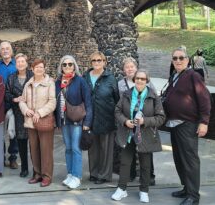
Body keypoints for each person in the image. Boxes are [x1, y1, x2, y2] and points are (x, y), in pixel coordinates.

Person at [165, 47, 211, 205]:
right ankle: (186, 188)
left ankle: (193, 196)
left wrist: (204, 122)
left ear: (188, 60)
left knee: (190, 160)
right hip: (174, 124)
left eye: (181, 58)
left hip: (188, 124)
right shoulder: (174, 76)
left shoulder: (194, 76)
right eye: (175, 58)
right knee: (179, 158)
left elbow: (204, 99)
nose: (178, 61)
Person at [112, 70, 165, 203]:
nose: (140, 81)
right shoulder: (126, 94)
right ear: (134, 80)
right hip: (128, 134)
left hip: (145, 135)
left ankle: (144, 191)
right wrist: (125, 121)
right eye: (137, 79)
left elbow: (161, 118)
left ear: (147, 80)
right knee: (125, 162)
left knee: (145, 164)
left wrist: (145, 121)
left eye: (142, 79)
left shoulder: (153, 96)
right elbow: (117, 111)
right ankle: (121, 189)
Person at [54, 55, 92, 190]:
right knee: (68, 148)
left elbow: (88, 102)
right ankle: (70, 173)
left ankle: (77, 176)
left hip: (77, 120)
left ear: (74, 66)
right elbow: (55, 102)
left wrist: (87, 122)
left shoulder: (80, 81)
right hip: (64, 120)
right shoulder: (58, 82)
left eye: (70, 64)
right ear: (61, 67)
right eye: (64, 64)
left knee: (76, 148)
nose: (67, 67)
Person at [117, 57, 157, 183]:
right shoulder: (120, 84)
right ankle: (131, 174)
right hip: (128, 122)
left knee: (146, 150)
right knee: (129, 149)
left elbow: (154, 98)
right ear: (123, 70)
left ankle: (149, 176)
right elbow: (119, 103)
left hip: (144, 122)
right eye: (127, 67)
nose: (129, 69)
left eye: (132, 67)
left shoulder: (147, 82)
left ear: (136, 68)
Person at [19, 58, 56, 187]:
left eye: (41, 67)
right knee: (33, 149)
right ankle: (37, 174)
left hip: (44, 120)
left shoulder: (50, 83)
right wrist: (25, 110)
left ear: (44, 69)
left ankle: (47, 176)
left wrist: (40, 113)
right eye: (37, 67)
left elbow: (52, 102)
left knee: (45, 150)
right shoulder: (28, 83)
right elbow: (22, 100)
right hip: (30, 121)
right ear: (32, 69)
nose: (39, 69)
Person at [85, 51, 119, 184]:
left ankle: (104, 175)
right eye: (94, 60)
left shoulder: (110, 78)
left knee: (106, 149)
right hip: (90, 118)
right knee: (93, 148)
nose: (96, 63)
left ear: (104, 62)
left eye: (99, 60)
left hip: (106, 118)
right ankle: (94, 172)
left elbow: (117, 98)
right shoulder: (86, 76)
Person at [5, 53, 33, 178]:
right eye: (18, 62)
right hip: (18, 114)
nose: (20, 64)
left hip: (32, 112)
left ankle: (37, 169)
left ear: (27, 63)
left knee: (34, 143)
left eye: (23, 61)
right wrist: (15, 99)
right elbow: (6, 94)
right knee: (21, 141)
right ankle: (25, 168)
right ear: (15, 64)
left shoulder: (33, 76)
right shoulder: (11, 78)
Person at [0, 41, 18, 168]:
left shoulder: (17, 65)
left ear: (11, 50)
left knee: (13, 131)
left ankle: (13, 157)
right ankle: (0, 157)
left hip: (14, 102)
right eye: (2, 49)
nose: (5, 51)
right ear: (0, 51)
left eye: (7, 48)